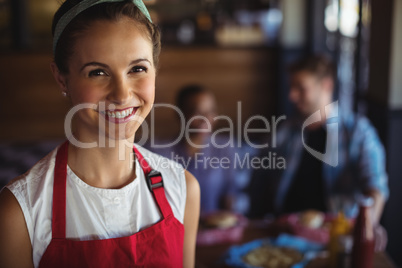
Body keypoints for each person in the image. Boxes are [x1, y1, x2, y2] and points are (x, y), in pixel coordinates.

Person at [0, 1, 200, 267]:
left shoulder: (183, 188)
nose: (121, 94)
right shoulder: (19, 213)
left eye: (137, 69)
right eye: (97, 72)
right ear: (62, 79)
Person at [248, 55, 388, 225]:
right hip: (284, 231)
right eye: (291, 87)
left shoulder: (358, 132)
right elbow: (258, 183)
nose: (292, 95)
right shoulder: (285, 130)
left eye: (300, 88)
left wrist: (367, 228)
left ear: (326, 85)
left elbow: (376, 188)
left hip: (333, 235)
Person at [150, 85, 238, 213]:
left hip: (214, 228)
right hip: (175, 228)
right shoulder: (159, 152)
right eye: (197, 112)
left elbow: (230, 195)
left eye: (210, 111)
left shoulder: (224, 147)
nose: (205, 119)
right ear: (179, 114)